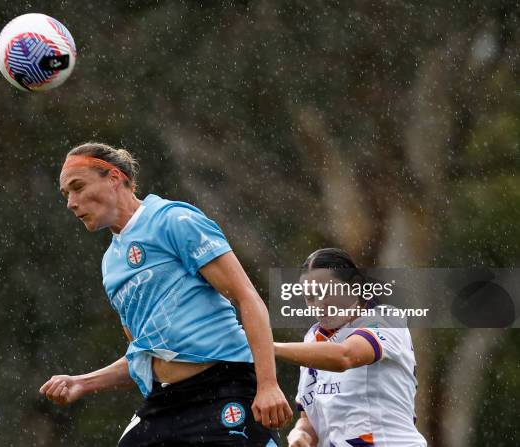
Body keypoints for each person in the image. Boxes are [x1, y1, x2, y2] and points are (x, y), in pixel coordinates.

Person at [39, 142, 291, 446]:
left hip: (224, 386)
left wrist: (268, 384)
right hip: (165, 402)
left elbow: (247, 297)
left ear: (114, 177)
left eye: (77, 187)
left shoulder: (173, 221)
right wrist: (83, 383)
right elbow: (145, 354)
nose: (71, 203)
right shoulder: (111, 264)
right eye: (66, 195)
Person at [275, 248, 427, 447]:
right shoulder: (312, 340)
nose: (319, 305)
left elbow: (344, 356)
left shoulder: (386, 319)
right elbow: (309, 418)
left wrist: (269, 347)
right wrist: (300, 433)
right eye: (310, 297)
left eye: (326, 292)